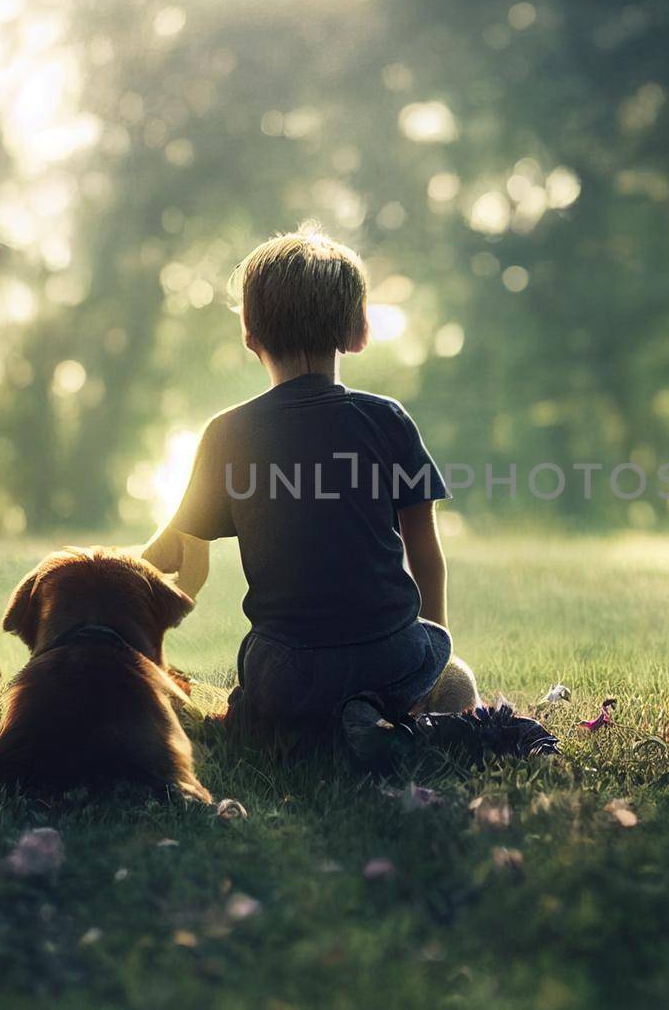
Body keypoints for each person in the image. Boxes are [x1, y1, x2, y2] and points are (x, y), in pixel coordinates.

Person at [142, 224, 479, 763]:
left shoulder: (226, 434)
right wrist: (430, 654)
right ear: (359, 331)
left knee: (239, 704)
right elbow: (426, 555)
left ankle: (297, 731)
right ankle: (413, 729)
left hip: (284, 674)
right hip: (389, 657)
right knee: (455, 678)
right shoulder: (388, 421)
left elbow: (176, 557)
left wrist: (109, 585)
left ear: (249, 333)